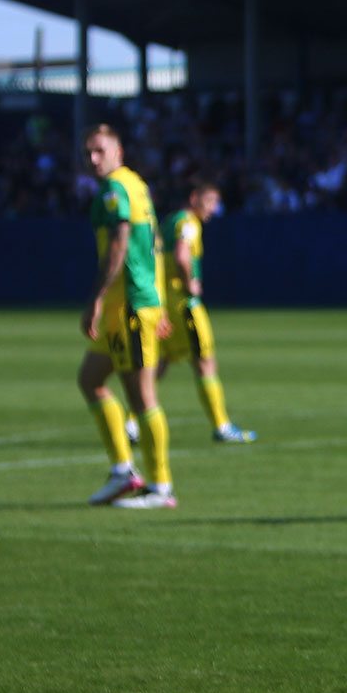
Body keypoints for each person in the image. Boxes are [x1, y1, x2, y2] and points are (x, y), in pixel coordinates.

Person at [76, 124, 176, 508]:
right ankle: (122, 472)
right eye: (88, 152)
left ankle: (160, 487)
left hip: (130, 305)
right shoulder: (136, 185)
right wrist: (159, 302)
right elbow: (153, 245)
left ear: (118, 151)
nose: (93, 159)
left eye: (100, 151)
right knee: (90, 379)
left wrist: (96, 298)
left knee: (142, 397)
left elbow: (120, 245)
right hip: (130, 305)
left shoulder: (115, 189)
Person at [158, 181, 256, 444]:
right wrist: (188, 282)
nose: (214, 208)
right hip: (182, 303)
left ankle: (133, 423)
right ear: (194, 198)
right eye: (210, 201)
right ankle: (221, 426)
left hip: (163, 302)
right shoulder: (188, 222)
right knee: (205, 361)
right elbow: (182, 256)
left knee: (160, 362)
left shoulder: (170, 221)